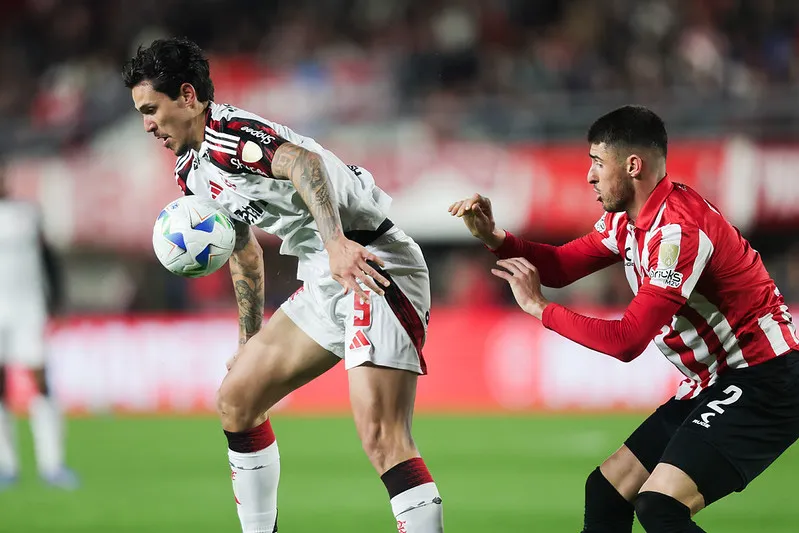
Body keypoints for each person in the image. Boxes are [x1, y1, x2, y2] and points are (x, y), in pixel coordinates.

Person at [122, 38, 443, 533]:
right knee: (237, 398)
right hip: (324, 274)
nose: (147, 125)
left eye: (151, 109)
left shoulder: (228, 132)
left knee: (382, 436)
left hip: (370, 263)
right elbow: (243, 249)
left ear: (187, 96)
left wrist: (335, 242)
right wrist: (249, 338)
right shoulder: (191, 172)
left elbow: (303, 163)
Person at [450, 105, 799, 533]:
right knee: (607, 490)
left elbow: (627, 340)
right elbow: (560, 265)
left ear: (633, 165)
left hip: (764, 379)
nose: (589, 176)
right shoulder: (625, 220)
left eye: (598, 162)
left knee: (659, 505)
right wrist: (495, 238)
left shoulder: (678, 233)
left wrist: (541, 309)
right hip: (714, 381)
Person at [0, 166, 79, 490]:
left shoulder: (27, 214)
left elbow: (49, 259)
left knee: (40, 380)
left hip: (28, 309)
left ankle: (53, 464)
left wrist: (57, 300)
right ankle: (6, 466)